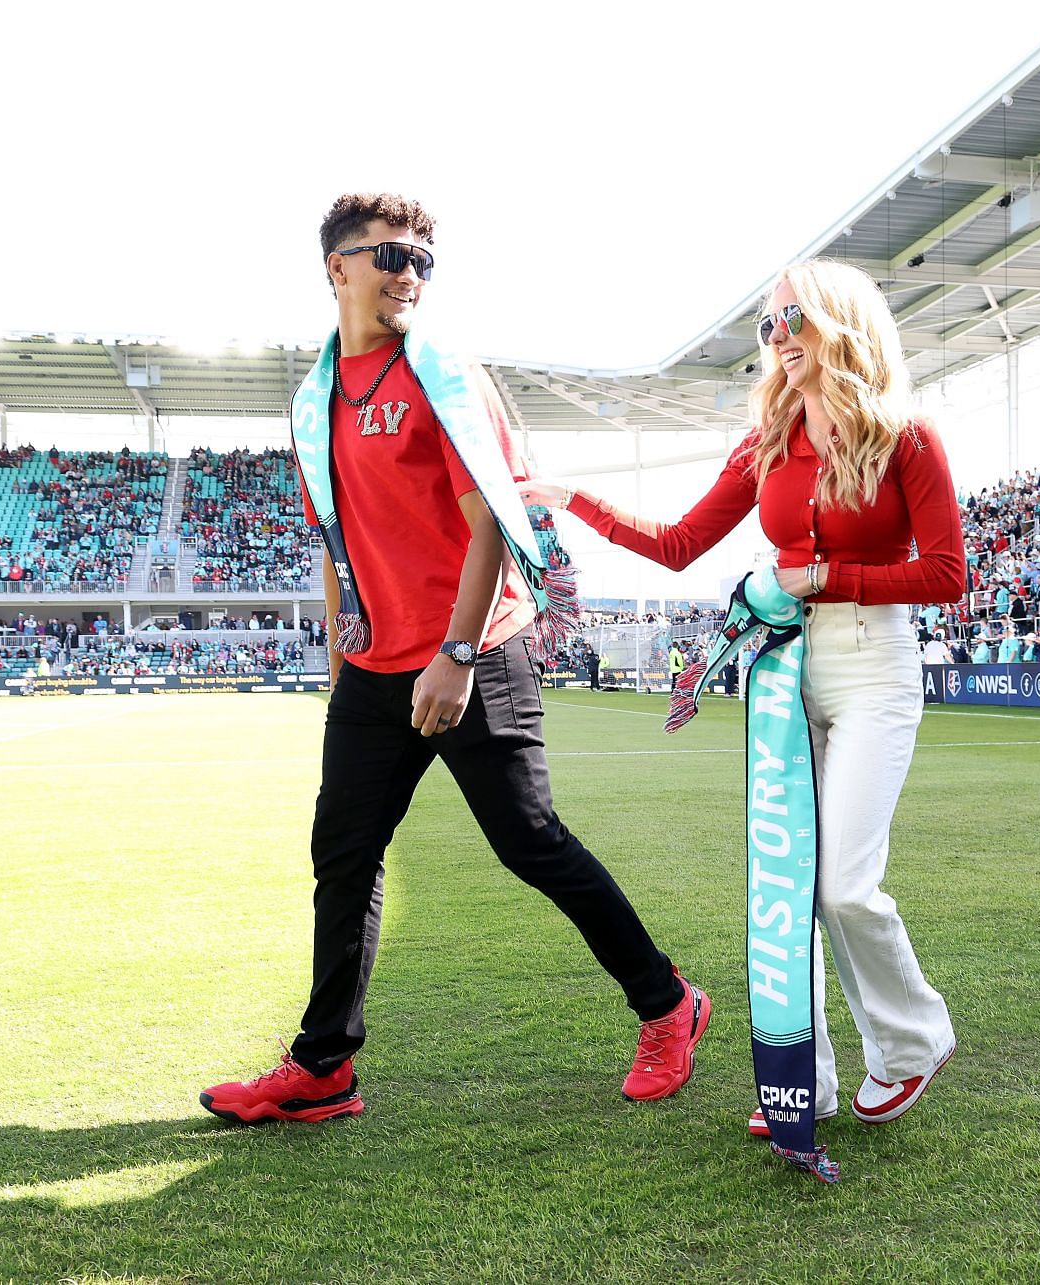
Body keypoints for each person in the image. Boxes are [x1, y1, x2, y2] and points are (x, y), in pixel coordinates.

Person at [201, 193, 706, 1129]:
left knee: (530, 843)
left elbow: (493, 527)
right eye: (390, 254)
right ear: (337, 267)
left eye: (425, 260)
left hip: (477, 651)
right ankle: (322, 1068)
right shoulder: (316, 396)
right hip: (375, 666)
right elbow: (332, 531)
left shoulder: (444, 376)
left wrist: (458, 654)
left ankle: (669, 1004)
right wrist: (336, 650)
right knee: (343, 856)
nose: (410, 273)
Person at [521, 259, 960, 1177]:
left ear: (840, 322)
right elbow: (679, 543)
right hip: (785, 666)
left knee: (842, 884)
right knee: (788, 889)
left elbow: (948, 575)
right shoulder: (767, 439)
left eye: (792, 318)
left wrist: (830, 578)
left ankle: (914, 1044)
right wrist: (572, 498)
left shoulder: (906, 436)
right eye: (768, 326)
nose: (778, 338)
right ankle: (805, 1082)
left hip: (875, 663)